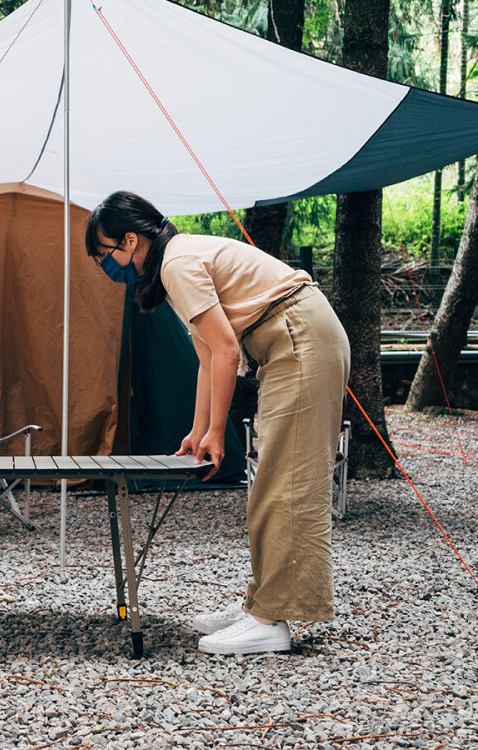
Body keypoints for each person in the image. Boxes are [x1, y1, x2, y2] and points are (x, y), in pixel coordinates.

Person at [85, 191, 350, 655]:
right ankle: (262, 606)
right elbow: (207, 353)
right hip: (293, 340)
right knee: (273, 477)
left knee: (286, 482)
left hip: (301, 339)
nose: (104, 266)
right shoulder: (176, 262)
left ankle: (270, 621)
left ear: (130, 240)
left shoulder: (176, 264)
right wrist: (197, 428)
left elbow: (227, 350)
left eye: (104, 254)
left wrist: (216, 433)